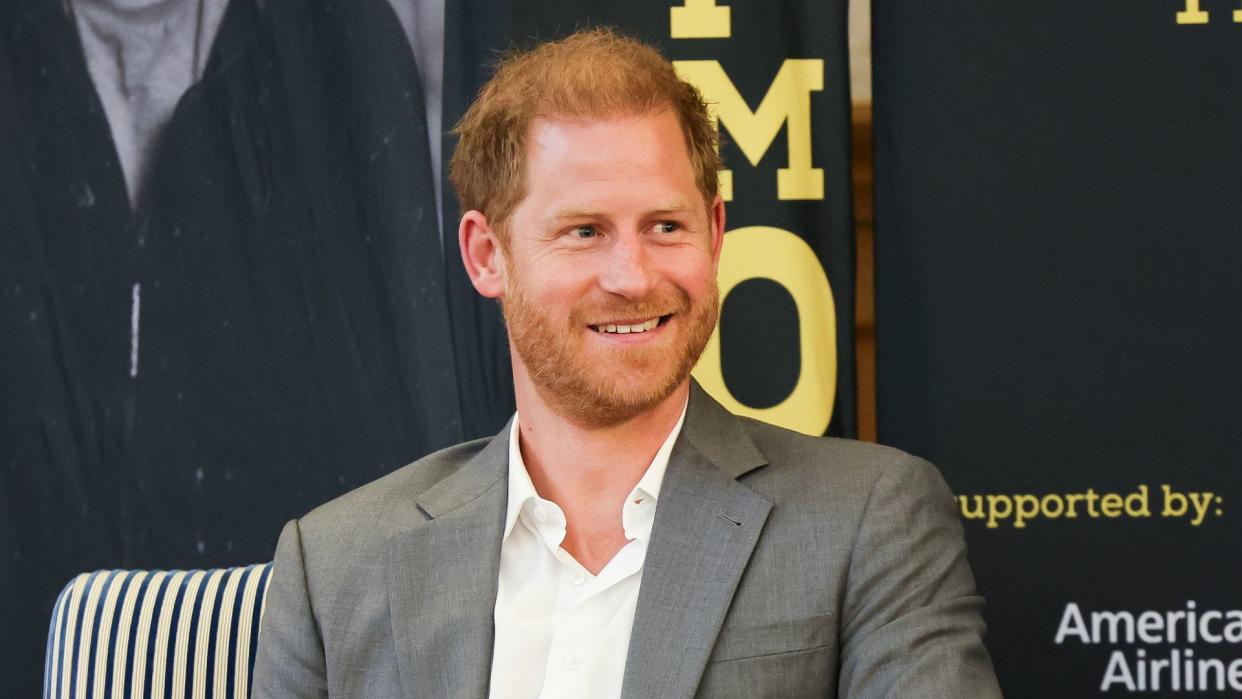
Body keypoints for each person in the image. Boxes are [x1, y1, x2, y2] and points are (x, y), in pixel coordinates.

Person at [252, 28, 1002, 698]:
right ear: (488, 254)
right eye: (584, 231)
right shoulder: (336, 563)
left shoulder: (870, 518)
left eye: (665, 225)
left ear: (714, 233)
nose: (633, 276)